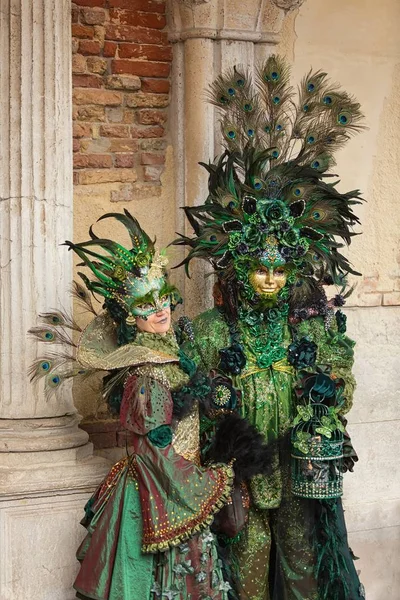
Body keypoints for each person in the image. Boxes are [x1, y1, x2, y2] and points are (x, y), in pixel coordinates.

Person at [175, 55, 365, 600]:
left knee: (304, 572)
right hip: (242, 475)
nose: (269, 280)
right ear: (238, 268)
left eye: (280, 270)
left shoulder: (311, 327)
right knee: (246, 573)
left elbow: (339, 377)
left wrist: (326, 399)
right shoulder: (210, 329)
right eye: (260, 268)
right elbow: (193, 395)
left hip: (299, 471)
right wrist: (216, 406)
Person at [29, 210, 272, 600]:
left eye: (163, 298)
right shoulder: (146, 375)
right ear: (130, 313)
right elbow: (154, 451)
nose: (160, 310)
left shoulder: (169, 355)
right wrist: (212, 481)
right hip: (160, 489)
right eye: (146, 303)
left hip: (173, 480)